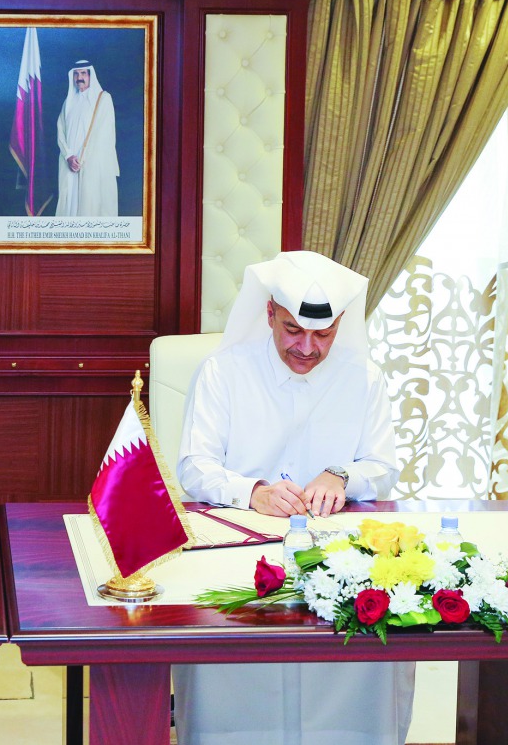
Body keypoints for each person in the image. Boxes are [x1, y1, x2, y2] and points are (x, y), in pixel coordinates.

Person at [173, 251, 412, 745]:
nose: (307, 348)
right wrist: (252, 492)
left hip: (339, 550)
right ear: (269, 315)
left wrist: (342, 475)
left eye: (323, 335)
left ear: (340, 325)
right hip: (240, 546)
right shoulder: (223, 371)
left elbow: (383, 468)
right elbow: (194, 467)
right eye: (293, 330)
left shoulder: (363, 377)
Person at [55, 60, 119, 217]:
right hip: (70, 163)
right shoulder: (68, 102)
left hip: (91, 165)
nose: (79, 78)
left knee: (91, 206)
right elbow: (60, 131)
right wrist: (69, 156)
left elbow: (104, 135)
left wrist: (82, 159)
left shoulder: (103, 99)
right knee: (69, 208)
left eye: (83, 73)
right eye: (76, 74)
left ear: (91, 76)